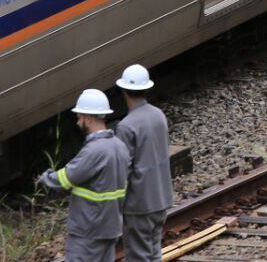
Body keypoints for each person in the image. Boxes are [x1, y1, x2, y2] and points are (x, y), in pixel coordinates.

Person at [39, 89, 131, 262]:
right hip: (111, 226)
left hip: (89, 229)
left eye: (79, 118)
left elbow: (67, 177)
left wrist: (46, 177)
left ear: (88, 119)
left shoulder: (94, 150)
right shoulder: (119, 146)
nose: (78, 122)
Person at [114, 64, 173, 262]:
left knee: (138, 256)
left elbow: (123, 170)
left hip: (139, 204)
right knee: (154, 253)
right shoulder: (159, 115)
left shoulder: (126, 126)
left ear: (124, 91)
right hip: (162, 198)